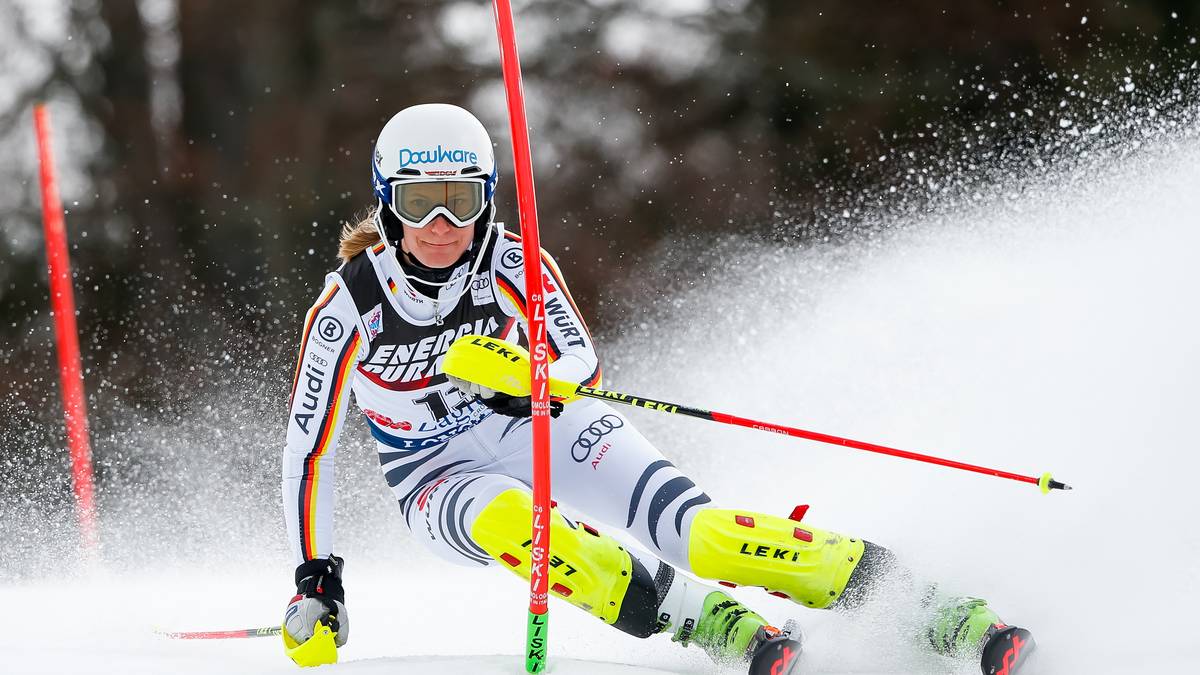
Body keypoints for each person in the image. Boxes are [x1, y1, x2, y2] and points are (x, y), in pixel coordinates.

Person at [280, 103, 1035, 674]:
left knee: (703, 534)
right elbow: (310, 453)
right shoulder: (349, 305)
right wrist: (317, 577)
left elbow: (580, 364)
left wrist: (534, 383)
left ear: (487, 197)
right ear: (386, 204)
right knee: (522, 528)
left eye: (462, 199)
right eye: (419, 202)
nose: (442, 225)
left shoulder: (511, 262)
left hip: (532, 425)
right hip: (436, 475)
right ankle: (712, 624)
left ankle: (935, 609)